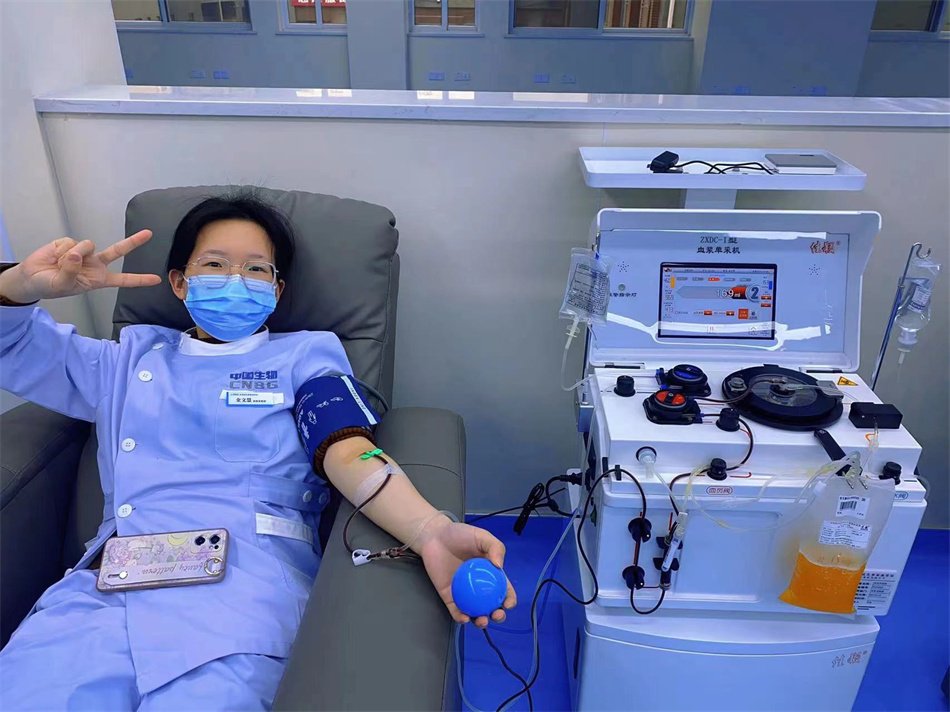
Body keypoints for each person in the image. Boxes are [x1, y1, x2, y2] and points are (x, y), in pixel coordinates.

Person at [0, 192, 515, 711]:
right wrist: (16, 288)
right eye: (214, 265)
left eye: (255, 269)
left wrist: (430, 530)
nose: (235, 280)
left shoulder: (306, 356)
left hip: (239, 598)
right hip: (102, 599)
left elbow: (346, 449)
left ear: (276, 288)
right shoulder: (126, 361)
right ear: (179, 282)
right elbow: (12, 349)